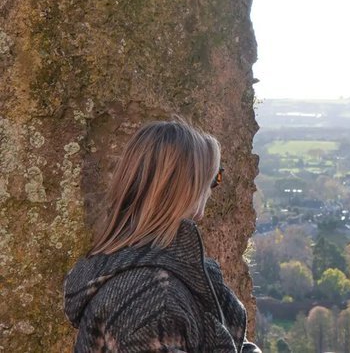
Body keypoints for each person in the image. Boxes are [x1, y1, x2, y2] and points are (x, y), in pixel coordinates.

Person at [64, 119, 261, 353]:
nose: (211, 190)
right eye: (214, 178)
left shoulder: (143, 271)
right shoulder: (153, 299)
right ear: (187, 186)